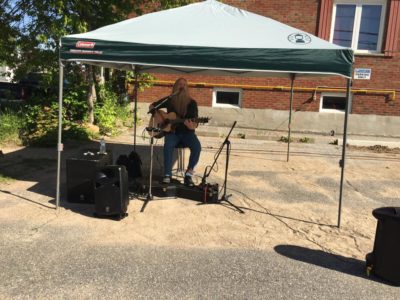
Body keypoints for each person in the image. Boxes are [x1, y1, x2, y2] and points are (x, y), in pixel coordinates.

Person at [149, 78, 201, 186]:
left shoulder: (192, 103)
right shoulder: (169, 100)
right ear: (175, 87)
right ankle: (167, 175)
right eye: (179, 84)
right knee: (168, 145)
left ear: (187, 88)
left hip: (187, 133)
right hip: (172, 133)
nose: (181, 87)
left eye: (184, 85)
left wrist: (191, 126)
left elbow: (195, 121)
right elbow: (152, 106)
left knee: (197, 147)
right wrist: (159, 117)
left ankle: (188, 175)